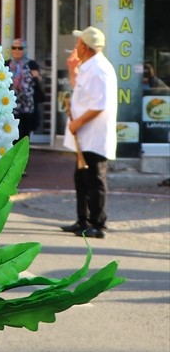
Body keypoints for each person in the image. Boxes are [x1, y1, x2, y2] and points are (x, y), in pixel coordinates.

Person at [62, 26, 117, 239]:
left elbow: (99, 104)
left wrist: (78, 122)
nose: (75, 46)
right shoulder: (89, 66)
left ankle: (98, 223)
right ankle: (82, 220)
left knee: (95, 178)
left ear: (84, 47)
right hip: (84, 136)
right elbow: (82, 91)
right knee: (82, 178)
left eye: (78, 43)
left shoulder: (100, 69)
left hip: (94, 135)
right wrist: (72, 71)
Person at [9, 38, 44, 140]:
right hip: (11, 106)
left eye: (20, 48)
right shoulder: (7, 64)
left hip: (27, 106)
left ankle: (23, 155)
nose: (17, 50)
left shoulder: (31, 64)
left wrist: (37, 76)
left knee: (24, 135)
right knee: (12, 136)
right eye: (14, 48)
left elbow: (40, 80)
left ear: (24, 50)